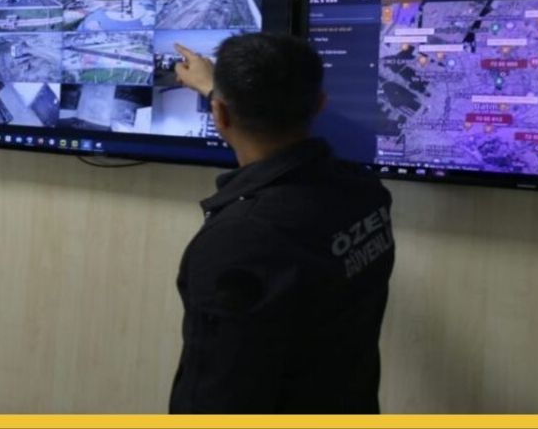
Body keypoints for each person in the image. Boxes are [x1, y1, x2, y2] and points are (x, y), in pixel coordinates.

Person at [168, 32, 394, 414]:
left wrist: (220, 96)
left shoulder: (240, 240)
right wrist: (213, 89)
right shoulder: (365, 194)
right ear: (320, 104)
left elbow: (214, 393)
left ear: (220, 115)